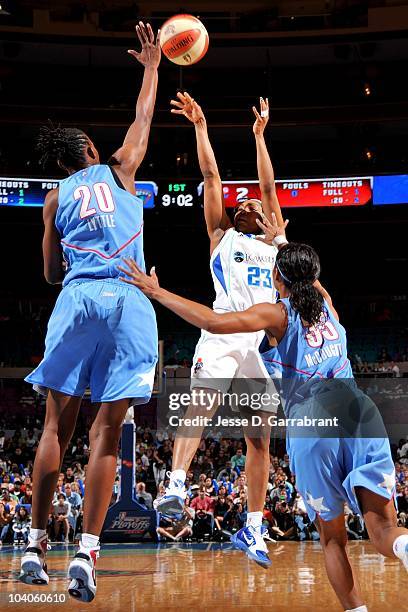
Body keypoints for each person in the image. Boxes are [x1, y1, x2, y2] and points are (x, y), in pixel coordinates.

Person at [119, 238, 408, 607]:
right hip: (361, 411)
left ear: (276, 276)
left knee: (334, 538)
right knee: (383, 529)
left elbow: (214, 321)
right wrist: (283, 240)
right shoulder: (329, 307)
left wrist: (157, 292)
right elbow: (311, 278)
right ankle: (404, 544)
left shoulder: (277, 314)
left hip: (314, 419)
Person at [19, 22, 161, 604]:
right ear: (91, 152)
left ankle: (32, 546)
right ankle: (85, 554)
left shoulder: (55, 198)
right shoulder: (121, 169)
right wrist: (151, 67)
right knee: (107, 433)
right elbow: (144, 119)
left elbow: (50, 274)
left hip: (76, 298)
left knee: (56, 427)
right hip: (129, 298)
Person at [137, 92, 287, 566]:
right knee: (200, 402)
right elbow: (210, 176)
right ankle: (176, 485)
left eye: (255, 206)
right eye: (240, 204)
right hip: (223, 332)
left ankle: (254, 529)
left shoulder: (275, 239)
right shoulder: (220, 236)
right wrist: (201, 127)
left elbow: (268, 186)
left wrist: (259, 136)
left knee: (260, 438)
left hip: (256, 343)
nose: (248, 205)